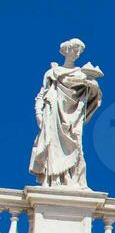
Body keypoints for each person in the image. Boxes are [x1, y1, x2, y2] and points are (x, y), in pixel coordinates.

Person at [29, 38, 103, 189]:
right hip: (54, 111)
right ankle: (54, 179)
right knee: (52, 144)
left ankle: (70, 178)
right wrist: (38, 112)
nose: (77, 53)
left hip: (72, 117)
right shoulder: (53, 72)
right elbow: (41, 95)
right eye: (74, 48)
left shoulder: (81, 73)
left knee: (75, 145)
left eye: (79, 50)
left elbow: (95, 93)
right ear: (66, 50)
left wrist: (92, 85)